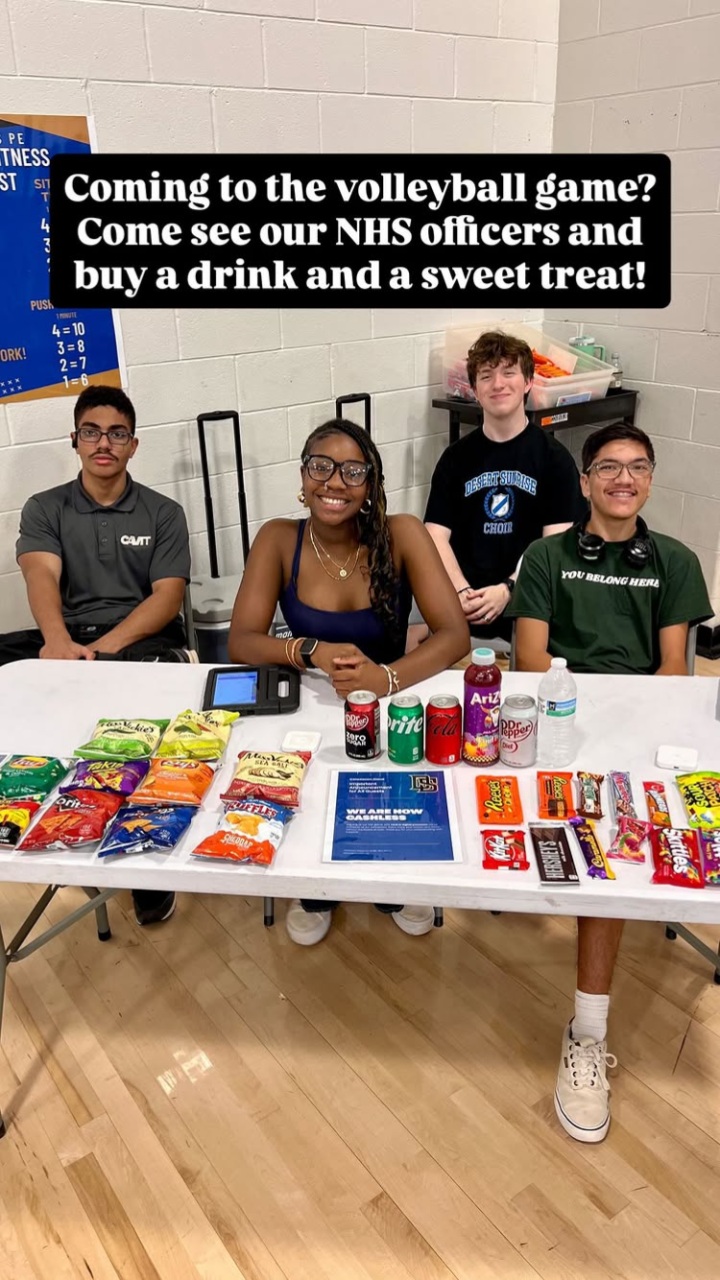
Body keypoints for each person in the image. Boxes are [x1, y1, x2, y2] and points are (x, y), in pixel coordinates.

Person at [507, 422, 712, 1143]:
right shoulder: (545, 557)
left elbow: (672, 671)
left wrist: (626, 731)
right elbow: (532, 658)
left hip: (639, 731)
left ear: (650, 480)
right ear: (585, 481)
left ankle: (587, 1034)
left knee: (609, 866)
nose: (625, 479)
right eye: (609, 467)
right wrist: (583, 718)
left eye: (638, 467)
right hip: (556, 721)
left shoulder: (676, 561)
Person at [229, 417, 470, 946]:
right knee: (314, 794)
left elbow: (455, 635)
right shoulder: (278, 538)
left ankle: (394, 876)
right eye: (321, 467)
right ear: (303, 475)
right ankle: (315, 888)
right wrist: (308, 650)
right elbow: (241, 640)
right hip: (313, 705)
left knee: (388, 798)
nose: (334, 482)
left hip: (393, 702)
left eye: (352, 471)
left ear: (370, 482)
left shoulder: (401, 533)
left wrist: (385, 678)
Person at [1, 385, 193, 927]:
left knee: (141, 708)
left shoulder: (163, 512)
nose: (103, 443)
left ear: (133, 445)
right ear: (75, 440)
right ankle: (28, 802)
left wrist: (101, 651)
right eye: (92, 432)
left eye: (116, 433)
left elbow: (167, 598)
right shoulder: (45, 507)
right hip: (68, 636)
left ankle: (143, 860)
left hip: (141, 640)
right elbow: (40, 575)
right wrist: (58, 642)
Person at [425, 330, 587, 641]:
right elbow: (435, 535)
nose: (498, 384)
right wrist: (461, 591)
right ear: (475, 390)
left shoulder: (554, 459)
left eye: (509, 373)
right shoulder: (455, 459)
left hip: (529, 608)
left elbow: (555, 544)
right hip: (464, 608)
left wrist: (509, 588)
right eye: (486, 376)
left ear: (528, 382)